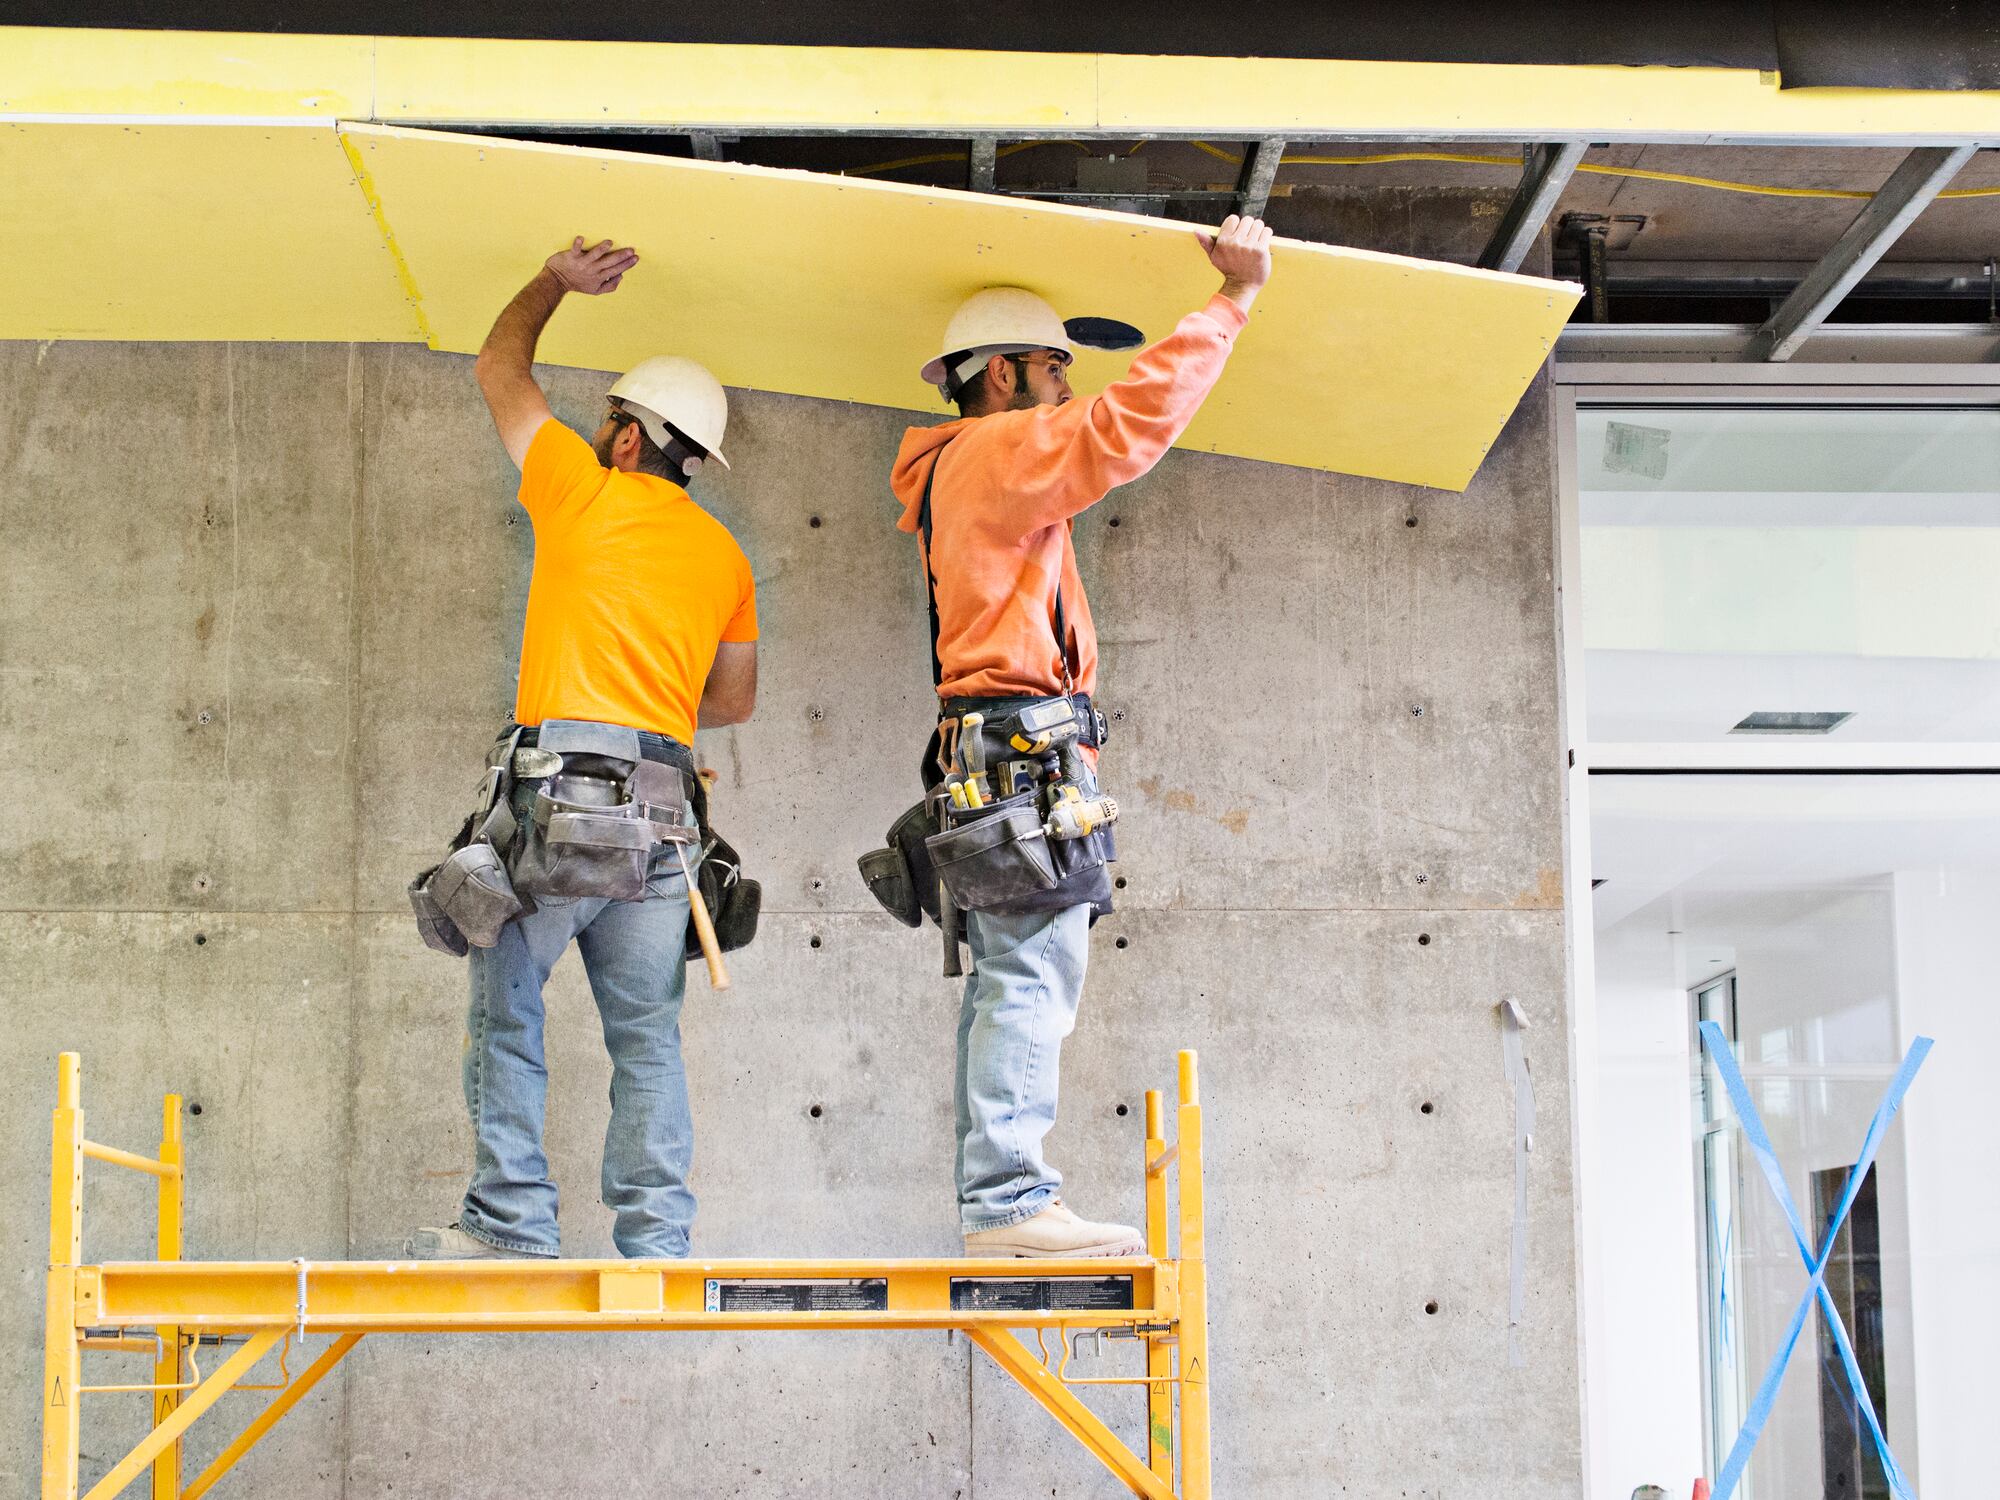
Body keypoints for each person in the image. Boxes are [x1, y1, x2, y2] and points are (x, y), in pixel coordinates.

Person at [890, 215, 1273, 1256]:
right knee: (1027, 979)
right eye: (1054, 375)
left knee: (1009, 979)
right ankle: (1009, 1206)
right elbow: (1126, 426)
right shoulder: (1001, 450)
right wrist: (1229, 301)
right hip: (1019, 749)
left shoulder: (951, 469)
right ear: (1008, 375)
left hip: (994, 752)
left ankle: (998, 1199)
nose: (1063, 395)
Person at [409, 237, 759, 1261]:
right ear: (690, 455)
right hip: (662, 817)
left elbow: (497, 368)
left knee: (509, 1005)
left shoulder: (576, 487)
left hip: (560, 801)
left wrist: (555, 282)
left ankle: (513, 1224)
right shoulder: (723, 555)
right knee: (645, 1034)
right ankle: (656, 1241)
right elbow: (729, 703)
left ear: (622, 438)